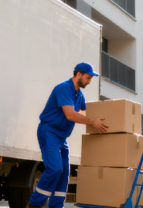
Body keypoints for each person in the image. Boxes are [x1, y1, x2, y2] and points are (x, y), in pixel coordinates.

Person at [29, 62, 109, 208]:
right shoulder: (63, 88)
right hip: (49, 131)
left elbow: (85, 112)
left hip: (61, 137)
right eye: (88, 77)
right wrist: (92, 122)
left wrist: (107, 117)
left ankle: (56, 206)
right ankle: (34, 204)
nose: (90, 81)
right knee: (55, 168)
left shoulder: (79, 95)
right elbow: (71, 115)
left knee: (65, 172)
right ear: (78, 74)